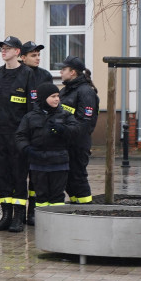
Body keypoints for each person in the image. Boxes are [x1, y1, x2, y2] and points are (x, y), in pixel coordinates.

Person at [0, 36, 35, 232]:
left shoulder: (27, 74)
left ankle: (18, 216)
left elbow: (31, 107)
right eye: (1, 49)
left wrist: (27, 135)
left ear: (17, 52)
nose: (3, 51)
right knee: (2, 176)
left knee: (18, 175)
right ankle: (5, 214)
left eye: (7, 48)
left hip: (18, 135)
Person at [15, 83, 79, 213]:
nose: (57, 99)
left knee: (57, 196)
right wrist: (26, 149)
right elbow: (20, 135)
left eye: (58, 96)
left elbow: (76, 131)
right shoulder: (30, 117)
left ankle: (57, 225)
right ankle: (43, 224)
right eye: (53, 96)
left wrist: (63, 129)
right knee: (41, 196)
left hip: (59, 163)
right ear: (43, 98)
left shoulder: (65, 115)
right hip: (38, 163)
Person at [58, 55, 99, 204]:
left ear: (73, 72)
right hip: (66, 142)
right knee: (68, 178)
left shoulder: (86, 92)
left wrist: (66, 132)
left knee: (77, 176)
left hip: (77, 143)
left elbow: (85, 122)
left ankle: (86, 208)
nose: (60, 72)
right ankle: (76, 207)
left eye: (63, 69)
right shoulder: (66, 91)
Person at [20, 41, 52, 225]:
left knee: (37, 175)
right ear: (22, 57)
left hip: (38, 130)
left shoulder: (45, 76)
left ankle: (34, 210)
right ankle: (17, 211)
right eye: (33, 55)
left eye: (39, 55)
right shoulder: (18, 74)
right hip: (20, 131)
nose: (38, 58)